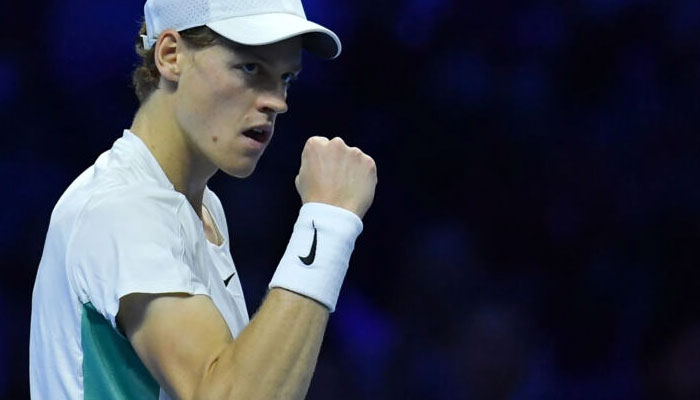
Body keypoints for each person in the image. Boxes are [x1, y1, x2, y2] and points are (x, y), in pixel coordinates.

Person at [29, 0, 377, 398]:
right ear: (171, 56)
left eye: (286, 78)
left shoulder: (202, 207)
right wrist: (327, 220)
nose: (277, 101)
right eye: (250, 68)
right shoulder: (122, 207)